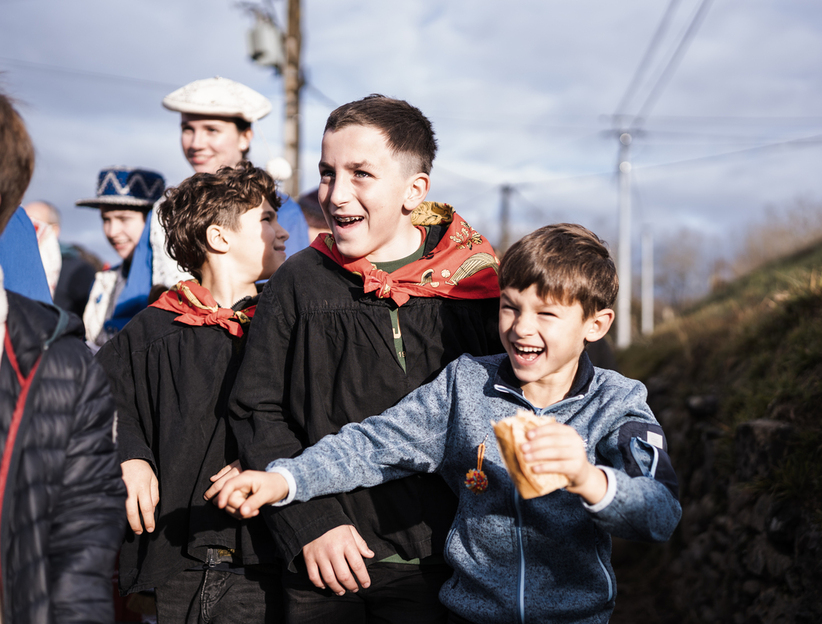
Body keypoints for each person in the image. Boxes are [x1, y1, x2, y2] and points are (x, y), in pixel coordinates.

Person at [214, 223, 683, 624]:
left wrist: (589, 479)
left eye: (546, 314)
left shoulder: (618, 402)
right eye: (510, 306)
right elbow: (375, 444)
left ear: (595, 325)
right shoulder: (465, 383)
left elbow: (660, 513)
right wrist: (285, 478)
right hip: (466, 615)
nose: (521, 327)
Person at [216, 94, 502, 623]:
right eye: (327, 173)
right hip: (328, 569)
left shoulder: (476, 285)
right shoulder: (298, 282)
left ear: (414, 191)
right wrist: (310, 523)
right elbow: (257, 411)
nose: (336, 194)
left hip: (449, 566)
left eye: (360, 173)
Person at [96, 161, 289, 622]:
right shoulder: (153, 329)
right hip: (180, 555)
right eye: (266, 220)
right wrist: (130, 454)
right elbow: (100, 394)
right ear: (219, 239)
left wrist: (268, 459)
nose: (282, 233)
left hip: (268, 556)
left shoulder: (286, 323)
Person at [0, 92, 126, 623]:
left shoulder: (64, 363)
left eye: (124, 215)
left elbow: (77, 551)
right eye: (107, 216)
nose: (113, 228)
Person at [143, 76, 309, 289]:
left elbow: (292, 287)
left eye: (212, 130)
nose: (196, 143)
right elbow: (135, 298)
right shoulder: (165, 209)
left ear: (245, 137)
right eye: (187, 129)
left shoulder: (280, 208)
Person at [76, 166, 166, 348]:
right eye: (106, 219)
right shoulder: (105, 280)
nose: (112, 232)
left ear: (152, 222)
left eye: (123, 219)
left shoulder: (176, 281)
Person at [23, 200, 100, 316]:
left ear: (54, 230)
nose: (25, 231)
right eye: (21, 224)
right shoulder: (15, 264)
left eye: (33, 225)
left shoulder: (78, 270)